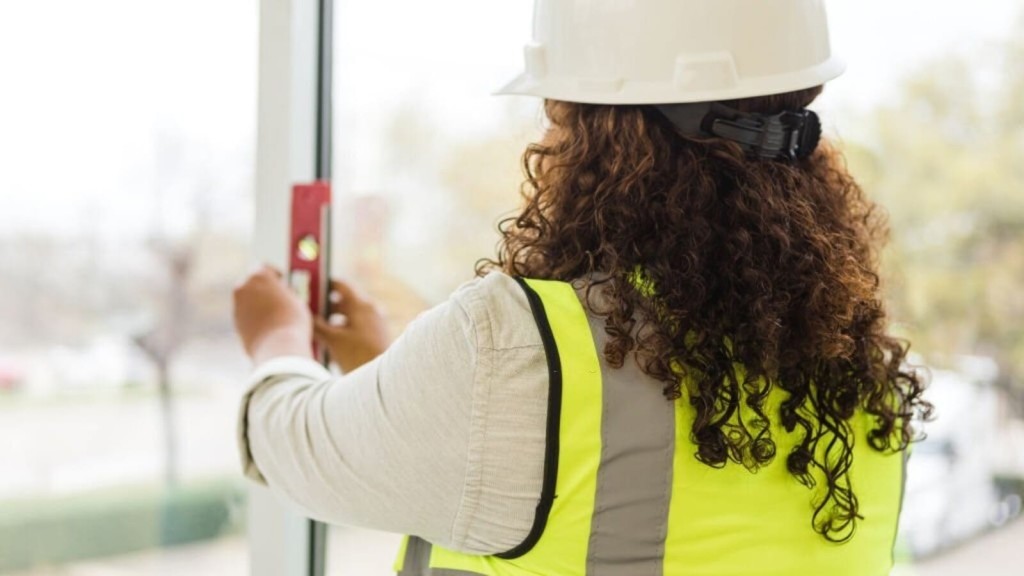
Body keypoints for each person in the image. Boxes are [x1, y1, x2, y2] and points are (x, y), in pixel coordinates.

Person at [232, 1, 932, 574]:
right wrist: (390, 374)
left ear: (606, 135)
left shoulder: (521, 347)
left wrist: (277, 341)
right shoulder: (861, 375)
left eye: (558, 113)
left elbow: (301, 446)